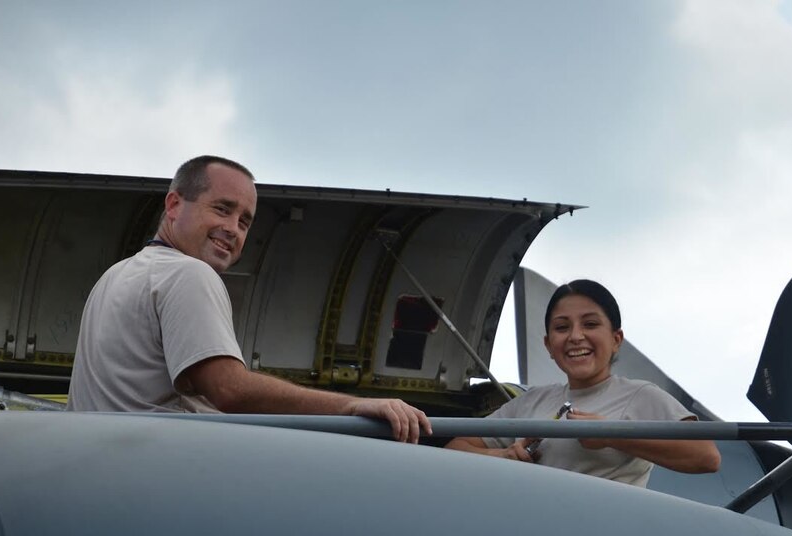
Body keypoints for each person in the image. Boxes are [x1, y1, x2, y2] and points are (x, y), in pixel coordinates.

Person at [68, 155, 430, 443]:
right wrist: (353, 405)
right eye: (222, 209)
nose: (233, 229)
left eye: (244, 221)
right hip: (160, 480)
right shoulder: (188, 274)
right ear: (175, 204)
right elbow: (229, 390)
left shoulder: (114, 277)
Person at [446, 279, 720, 484]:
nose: (576, 336)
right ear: (548, 345)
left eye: (590, 324)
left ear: (616, 339)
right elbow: (455, 449)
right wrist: (505, 455)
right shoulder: (529, 402)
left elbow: (706, 456)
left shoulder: (641, 395)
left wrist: (615, 436)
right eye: (562, 328)